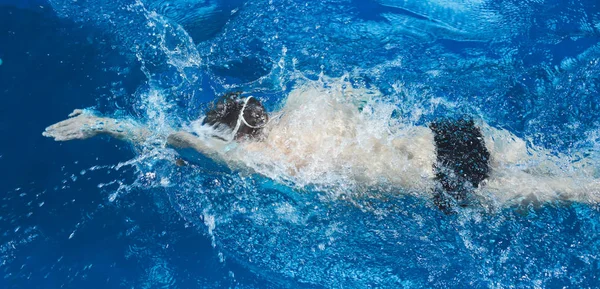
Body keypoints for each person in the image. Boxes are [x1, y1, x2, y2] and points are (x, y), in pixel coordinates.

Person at [43, 83, 600, 213]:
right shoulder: (309, 96)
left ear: (234, 135)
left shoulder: (262, 156)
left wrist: (106, 124)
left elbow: (177, 139)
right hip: (449, 134)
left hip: (436, 179)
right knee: (570, 168)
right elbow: (361, 102)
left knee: (584, 191)